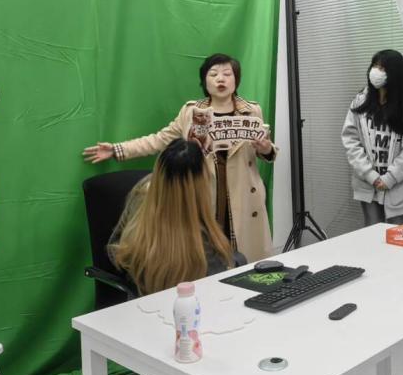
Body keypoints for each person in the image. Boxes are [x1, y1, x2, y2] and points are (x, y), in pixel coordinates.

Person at [111, 139, 318, 375]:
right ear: (199, 181)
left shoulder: (144, 193)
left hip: (176, 297)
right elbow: (219, 279)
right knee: (253, 329)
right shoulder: (193, 234)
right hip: (175, 310)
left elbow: (119, 251)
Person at [83, 53, 275, 262]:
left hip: (244, 196)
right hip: (204, 193)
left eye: (227, 74)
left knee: (247, 262)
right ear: (204, 81)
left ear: (236, 79)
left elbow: (265, 150)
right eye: (213, 74)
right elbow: (159, 139)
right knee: (209, 259)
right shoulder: (191, 113)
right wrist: (117, 149)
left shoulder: (252, 111)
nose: (221, 79)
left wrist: (266, 148)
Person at [341, 49, 403, 226]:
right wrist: (370, 175)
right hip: (368, 185)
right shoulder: (359, 103)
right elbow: (351, 141)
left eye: (382, 68)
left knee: (397, 236)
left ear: (394, 74)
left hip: (398, 187)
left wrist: (389, 178)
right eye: (375, 66)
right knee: (372, 235)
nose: (376, 72)